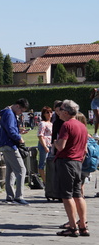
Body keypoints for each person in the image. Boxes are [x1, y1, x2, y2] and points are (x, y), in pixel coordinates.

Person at [54, 100, 89, 237]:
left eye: (61, 109)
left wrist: (55, 143)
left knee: (67, 195)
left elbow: (61, 146)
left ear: (66, 112)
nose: (59, 112)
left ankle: (72, 226)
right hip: (77, 162)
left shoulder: (66, 125)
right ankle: (83, 225)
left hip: (66, 162)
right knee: (78, 194)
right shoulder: (82, 126)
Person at [0, 98, 30, 205]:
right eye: (21, 110)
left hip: (5, 144)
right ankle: (18, 196)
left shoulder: (6, 112)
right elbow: (11, 130)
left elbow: (9, 128)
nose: (21, 113)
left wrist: (18, 131)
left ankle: (10, 196)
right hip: (10, 144)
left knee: (10, 171)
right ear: (17, 106)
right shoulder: (10, 113)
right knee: (21, 170)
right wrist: (19, 137)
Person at [37, 106, 53, 183]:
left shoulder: (51, 123)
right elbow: (40, 136)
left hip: (51, 145)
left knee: (50, 163)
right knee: (43, 163)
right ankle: (45, 181)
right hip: (44, 145)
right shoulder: (42, 123)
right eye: (47, 112)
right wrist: (45, 146)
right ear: (43, 114)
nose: (49, 114)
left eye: (50, 112)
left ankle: (49, 179)